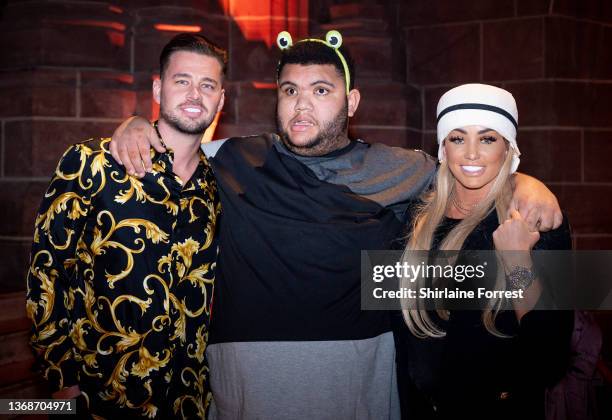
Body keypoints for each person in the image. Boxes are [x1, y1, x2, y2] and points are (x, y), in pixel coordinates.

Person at [109, 32, 563, 419]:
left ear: (352, 101)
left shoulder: (411, 174)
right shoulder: (232, 159)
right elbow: (176, 150)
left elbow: (552, 349)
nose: (302, 105)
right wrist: (134, 125)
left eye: (321, 91)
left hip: (364, 381)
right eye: (290, 91)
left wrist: (527, 184)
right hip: (250, 383)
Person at [26, 33, 226, 418]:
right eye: (181, 81)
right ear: (157, 88)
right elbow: (47, 273)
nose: (194, 94)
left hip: (186, 400)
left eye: (207, 85)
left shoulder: (217, 188)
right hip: (99, 396)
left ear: (221, 98)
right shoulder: (92, 163)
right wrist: (61, 377)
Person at [392, 83, 573, 419]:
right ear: (444, 148)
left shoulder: (535, 222)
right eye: (458, 138)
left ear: (508, 148)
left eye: (488, 138)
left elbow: (550, 358)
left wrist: (518, 261)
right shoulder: (417, 216)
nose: (471, 153)